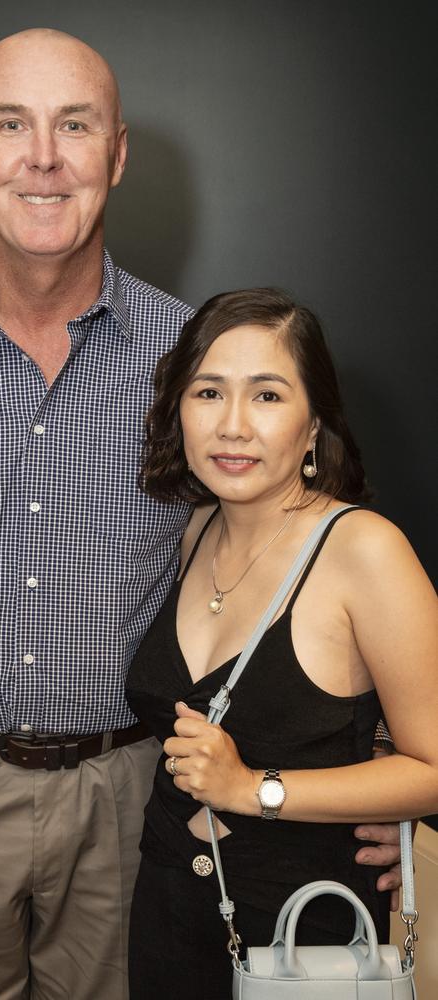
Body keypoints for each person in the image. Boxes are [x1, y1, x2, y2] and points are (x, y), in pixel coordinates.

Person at [0, 29, 402, 1000]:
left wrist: (372, 766)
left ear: (114, 154)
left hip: (136, 802)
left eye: (72, 126)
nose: (42, 156)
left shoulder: (193, 365)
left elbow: (290, 552)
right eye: (11, 125)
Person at [126, 287, 438, 998]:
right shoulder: (195, 531)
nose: (233, 425)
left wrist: (251, 788)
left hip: (303, 932)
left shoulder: (365, 550)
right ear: (179, 408)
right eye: (209, 391)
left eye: (267, 396)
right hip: (170, 908)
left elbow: (435, 764)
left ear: (314, 420)